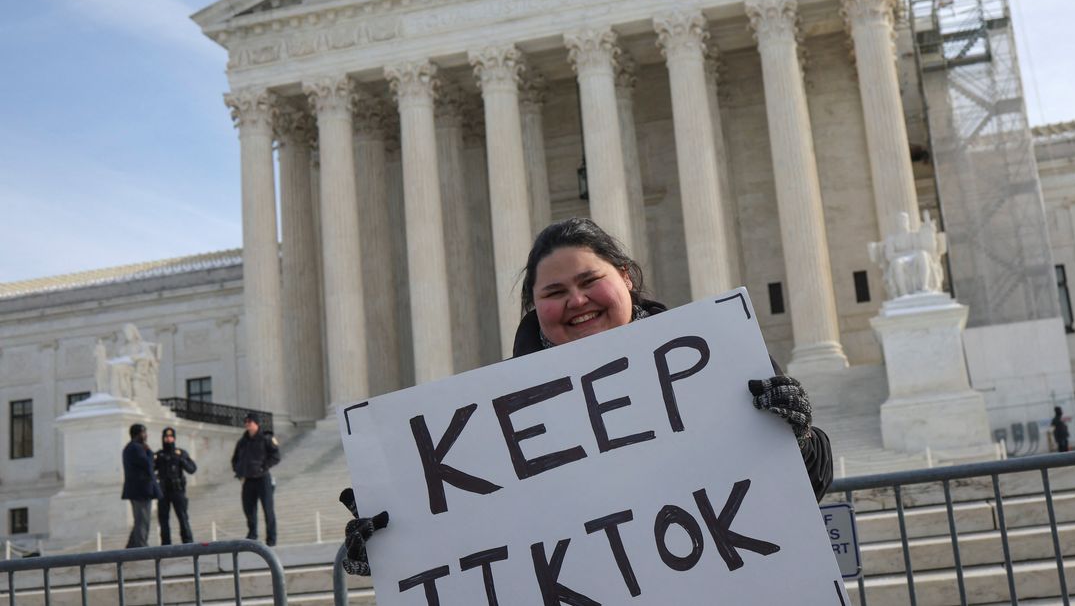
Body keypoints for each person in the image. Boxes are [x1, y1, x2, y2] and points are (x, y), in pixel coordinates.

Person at [340, 217, 834, 575]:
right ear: (535, 307)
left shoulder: (713, 362)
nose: (575, 301)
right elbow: (485, 541)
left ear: (625, 277)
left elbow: (811, 482)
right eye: (553, 292)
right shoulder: (496, 422)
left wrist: (796, 432)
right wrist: (392, 551)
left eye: (589, 280)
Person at [231, 412, 281, 546]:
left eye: (250, 421)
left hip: (262, 479)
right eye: (246, 421)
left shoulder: (266, 438)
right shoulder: (242, 442)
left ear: (256, 423)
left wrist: (263, 467)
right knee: (248, 509)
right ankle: (252, 534)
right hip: (248, 480)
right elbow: (235, 459)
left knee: (268, 509)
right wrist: (239, 471)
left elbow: (276, 456)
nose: (247, 424)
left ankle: (271, 539)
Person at [154, 427, 198, 544]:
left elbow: (192, 469)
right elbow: (151, 470)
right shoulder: (159, 455)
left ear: (174, 438)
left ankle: (187, 541)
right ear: (163, 438)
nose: (168, 439)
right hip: (163, 492)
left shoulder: (180, 453)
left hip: (177, 490)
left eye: (171, 437)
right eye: (166, 437)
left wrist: (182, 460)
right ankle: (166, 544)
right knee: (163, 519)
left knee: (183, 517)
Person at [121, 423, 161, 548]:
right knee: (143, 521)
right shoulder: (137, 448)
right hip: (141, 491)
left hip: (138, 490)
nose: (146, 435)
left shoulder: (131, 447)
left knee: (140, 520)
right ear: (138, 434)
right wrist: (149, 452)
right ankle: (141, 547)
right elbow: (148, 464)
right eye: (144, 433)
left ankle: (131, 547)